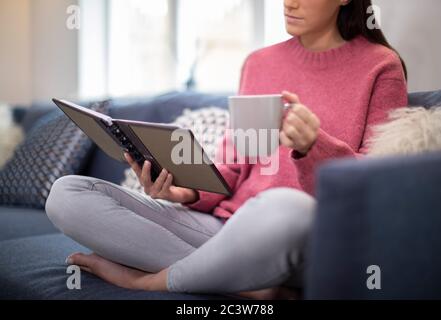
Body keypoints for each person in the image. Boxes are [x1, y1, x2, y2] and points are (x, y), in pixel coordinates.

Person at [45, 0, 408, 299]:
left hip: (301, 233)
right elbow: (234, 168)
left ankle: (149, 279)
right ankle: (250, 284)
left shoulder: (379, 66)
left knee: (284, 205)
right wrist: (184, 191)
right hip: (224, 228)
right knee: (68, 194)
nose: (288, 2)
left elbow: (374, 188)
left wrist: (315, 146)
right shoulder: (260, 63)